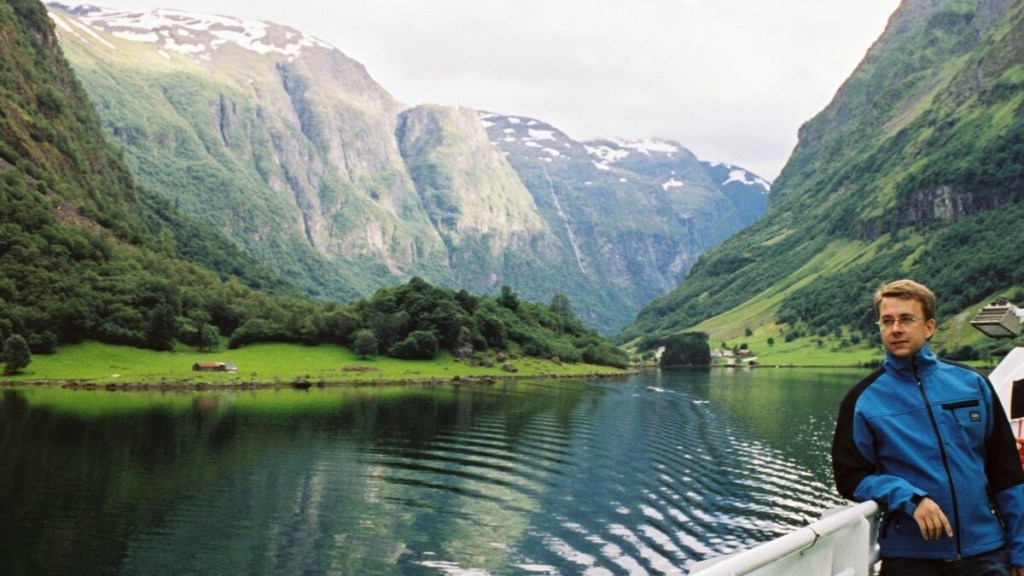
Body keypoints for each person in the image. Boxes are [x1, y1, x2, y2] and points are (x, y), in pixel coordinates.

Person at [831, 279, 1024, 575]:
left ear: (929, 326)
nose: (896, 328)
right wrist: (909, 497)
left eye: (907, 319)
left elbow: (1006, 473)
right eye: (887, 320)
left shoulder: (973, 385)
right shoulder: (862, 400)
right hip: (911, 558)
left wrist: (1020, 549)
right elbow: (850, 477)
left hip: (985, 553)